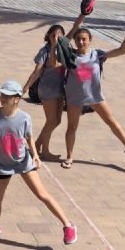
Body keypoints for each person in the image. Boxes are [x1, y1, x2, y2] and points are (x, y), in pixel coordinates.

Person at [0, 81, 77, 245]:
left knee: (42, 194)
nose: (2, 98)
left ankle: (68, 226)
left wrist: (35, 155)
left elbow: (29, 138)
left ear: (17, 99)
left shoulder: (24, 118)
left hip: (23, 161)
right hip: (1, 163)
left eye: (7, 95)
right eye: (2, 95)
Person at [61, 23, 125, 169]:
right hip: (74, 98)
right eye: (78, 39)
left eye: (84, 39)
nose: (81, 42)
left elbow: (122, 50)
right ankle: (69, 157)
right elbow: (62, 42)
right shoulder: (69, 55)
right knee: (71, 127)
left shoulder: (98, 55)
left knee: (112, 122)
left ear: (90, 40)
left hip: (95, 97)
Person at [21, 13, 85, 160]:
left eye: (60, 35)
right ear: (48, 36)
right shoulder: (45, 51)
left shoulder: (64, 44)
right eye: (54, 35)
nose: (57, 37)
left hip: (59, 89)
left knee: (56, 121)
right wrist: (25, 88)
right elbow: (44, 68)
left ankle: (37, 145)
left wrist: (84, 13)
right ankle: (45, 151)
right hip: (47, 89)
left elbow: (76, 27)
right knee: (51, 121)